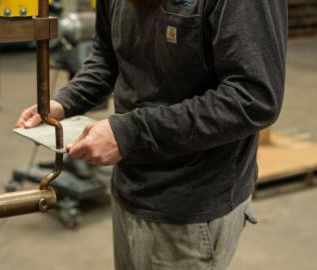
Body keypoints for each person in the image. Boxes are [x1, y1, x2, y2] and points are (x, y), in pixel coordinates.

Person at [16, 0, 287, 269]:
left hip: (192, 204)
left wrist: (132, 132)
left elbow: (253, 98)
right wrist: (65, 102)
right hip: (130, 185)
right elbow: (106, 57)